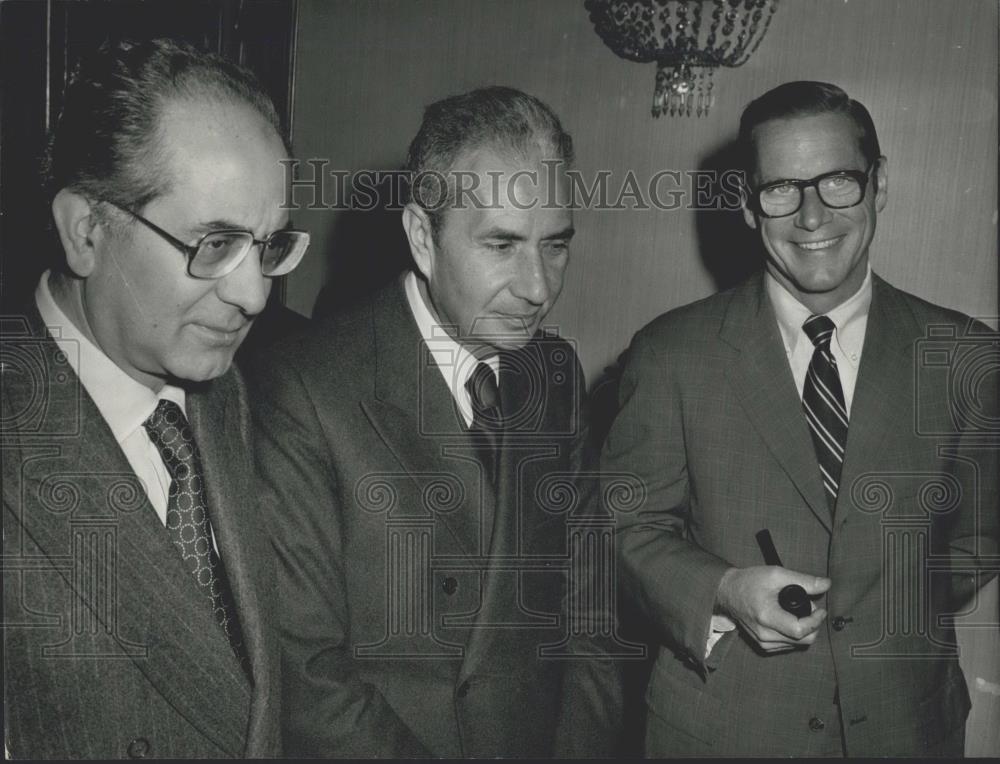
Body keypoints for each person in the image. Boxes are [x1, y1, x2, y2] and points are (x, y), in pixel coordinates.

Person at [604, 80, 998, 757]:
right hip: (724, 733)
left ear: (878, 185)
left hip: (910, 730)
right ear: (749, 207)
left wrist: (886, 605)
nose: (812, 217)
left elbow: (977, 542)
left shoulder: (965, 356)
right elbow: (621, 528)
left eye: (838, 181)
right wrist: (723, 590)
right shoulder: (669, 354)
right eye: (781, 188)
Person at [251, 86, 625, 758]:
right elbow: (306, 673)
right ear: (423, 236)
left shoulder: (554, 373)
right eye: (502, 244)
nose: (538, 287)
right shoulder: (304, 387)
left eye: (556, 245)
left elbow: (590, 616)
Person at [2, 38, 309, 759]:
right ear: (86, 231)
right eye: (213, 243)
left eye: (268, 246)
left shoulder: (228, 395)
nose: (255, 293)